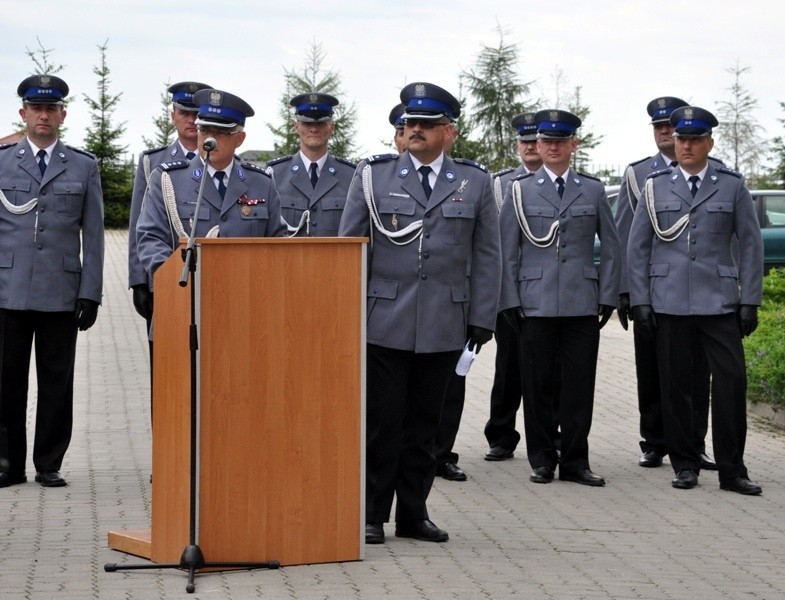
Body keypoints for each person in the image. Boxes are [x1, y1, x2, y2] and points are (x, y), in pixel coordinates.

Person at [339, 82, 501, 544]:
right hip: (384, 320)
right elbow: (352, 249)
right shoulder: (373, 176)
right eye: (410, 123)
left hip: (444, 322)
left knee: (427, 427)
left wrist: (482, 317)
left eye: (426, 125)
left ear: (449, 132)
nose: (415, 131)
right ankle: (372, 513)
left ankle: (413, 513)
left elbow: (488, 254)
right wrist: (350, 312)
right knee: (382, 423)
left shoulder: (474, 181)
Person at [628, 106, 763, 495]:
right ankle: (685, 464)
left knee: (731, 383)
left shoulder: (732, 185)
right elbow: (638, 249)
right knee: (675, 387)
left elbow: (751, 246)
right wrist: (641, 301)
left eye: (693, 140)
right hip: (669, 300)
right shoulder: (655, 186)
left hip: (719, 301)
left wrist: (749, 299)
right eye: (680, 139)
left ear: (709, 143)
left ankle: (732, 469)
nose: (685, 146)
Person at [498, 109, 620, 487]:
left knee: (579, 384)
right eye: (545, 142)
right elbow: (506, 250)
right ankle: (542, 458)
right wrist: (509, 300)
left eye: (559, 142)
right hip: (534, 301)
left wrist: (609, 295)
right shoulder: (520, 189)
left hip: (582, 300)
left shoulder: (594, 189)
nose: (551, 148)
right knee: (537, 384)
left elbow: (613, 247)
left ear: (573, 145)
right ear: (537, 145)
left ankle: (576, 461)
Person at [0, 75, 105, 489]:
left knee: (56, 383)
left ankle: (48, 463)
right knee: (6, 382)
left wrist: (90, 292)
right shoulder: (3, 161)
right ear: (23, 113)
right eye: (35, 108)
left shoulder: (83, 165)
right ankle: (8, 463)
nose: (43, 116)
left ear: (62, 115)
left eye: (51, 109)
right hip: (8, 289)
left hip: (61, 293)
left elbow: (94, 236)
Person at [615, 96, 716, 471]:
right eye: (658, 128)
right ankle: (655, 441)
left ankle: (694, 442)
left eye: (669, 127)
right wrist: (626, 291)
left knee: (696, 369)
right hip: (652, 289)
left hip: (701, 290)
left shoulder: (716, 173)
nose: (665, 133)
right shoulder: (638, 175)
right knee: (652, 368)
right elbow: (627, 237)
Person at [127, 81, 210, 426]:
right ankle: (166, 457)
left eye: (197, 114)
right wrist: (140, 282)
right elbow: (138, 228)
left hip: (212, 285)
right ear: (173, 116)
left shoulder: (219, 160)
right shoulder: (153, 163)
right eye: (184, 113)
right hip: (166, 283)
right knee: (166, 375)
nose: (191, 120)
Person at [136, 88, 286, 279]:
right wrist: (171, 277)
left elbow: (278, 244)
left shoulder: (262, 183)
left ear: (239, 139)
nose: (210, 140)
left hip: (247, 293)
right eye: (204, 130)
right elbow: (150, 237)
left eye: (220, 133)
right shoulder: (167, 180)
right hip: (187, 293)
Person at [483, 112, 544, 462]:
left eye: (536, 141)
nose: (530, 148)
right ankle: (501, 435)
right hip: (512, 289)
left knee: (552, 371)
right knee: (507, 368)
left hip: (548, 290)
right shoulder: (500, 184)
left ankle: (553, 433)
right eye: (524, 142)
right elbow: (493, 243)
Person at [267, 92, 356, 237]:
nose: (313, 129)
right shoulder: (274, 175)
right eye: (307, 123)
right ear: (296, 127)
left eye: (320, 123)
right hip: (288, 259)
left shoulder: (351, 176)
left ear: (332, 127)